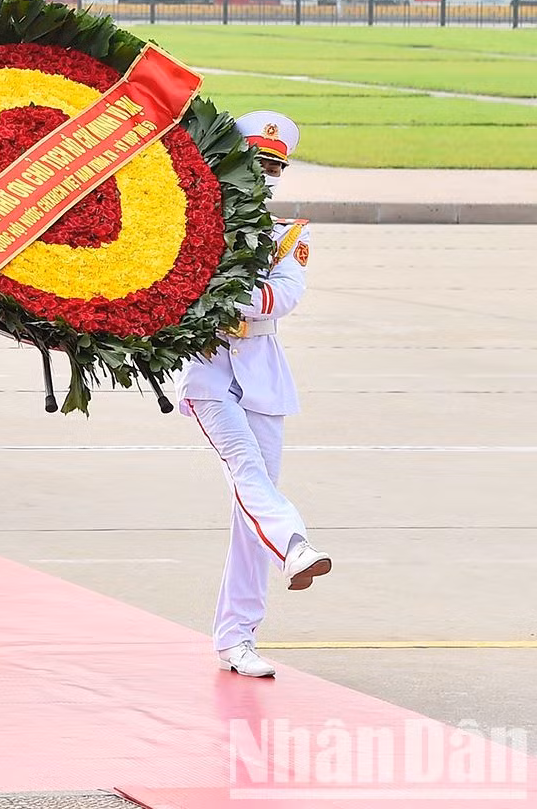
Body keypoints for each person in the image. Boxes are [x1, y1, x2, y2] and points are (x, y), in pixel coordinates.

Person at [180, 111, 330, 680]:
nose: (262, 175)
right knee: (248, 474)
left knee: (250, 508)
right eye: (254, 162)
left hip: (263, 373)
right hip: (209, 373)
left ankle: (236, 636)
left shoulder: (290, 230)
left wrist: (225, 291)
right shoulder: (195, 217)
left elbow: (283, 297)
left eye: (272, 166)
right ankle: (294, 543)